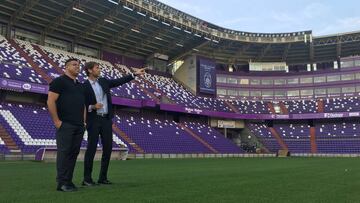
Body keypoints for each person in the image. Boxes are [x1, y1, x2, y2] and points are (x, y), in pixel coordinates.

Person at [82, 62, 146, 186]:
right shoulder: (84, 86)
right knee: (91, 149)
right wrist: (92, 106)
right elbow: (82, 104)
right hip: (93, 119)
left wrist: (134, 75)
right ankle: (87, 179)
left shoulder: (104, 81)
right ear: (90, 70)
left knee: (108, 149)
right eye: (97, 68)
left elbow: (118, 81)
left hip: (106, 119)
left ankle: (103, 178)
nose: (99, 69)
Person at [47, 58, 86, 192]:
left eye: (79, 65)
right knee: (64, 153)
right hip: (65, 124)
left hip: (79, 125)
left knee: (73, 154)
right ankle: (62, 183)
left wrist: (84, 122)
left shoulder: (80, 86)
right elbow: (50, 101)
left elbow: (84, 106)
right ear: (66, 67)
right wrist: (57, 121)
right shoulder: (59, 81)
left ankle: (68, 181)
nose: (77, 67)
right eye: (74, 65)